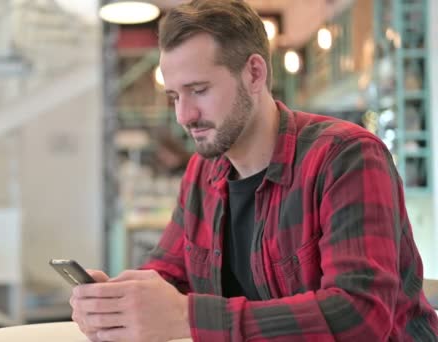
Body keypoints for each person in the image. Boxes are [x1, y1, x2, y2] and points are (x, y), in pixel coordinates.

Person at [70, 1, 438, 341]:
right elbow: (168, 273)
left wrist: (188, 316)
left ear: (255, 73)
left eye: (198, 90)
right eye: (175, 97)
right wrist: (118, 301)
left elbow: (360, 316)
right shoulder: (203, 171)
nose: (184, 116)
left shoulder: (346, 157)